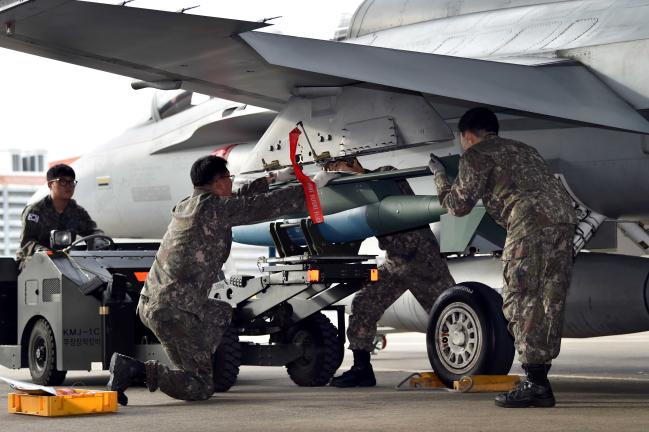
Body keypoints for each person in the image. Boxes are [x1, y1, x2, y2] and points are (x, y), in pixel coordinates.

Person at [107, 156, 305, 405]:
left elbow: (238, 199)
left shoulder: (190, 204)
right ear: (218, 181)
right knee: (199, 388)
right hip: (173, 311)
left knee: (220, 311)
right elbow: (258, 206)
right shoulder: (213, 209)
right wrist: (311, 187)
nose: (231, 183)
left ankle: (196, 368)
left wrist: (274, 178)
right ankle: (136, 369)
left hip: (157, 303)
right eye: (228, 178)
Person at [429, 107, 577, 408]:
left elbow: (457, 206)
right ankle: (540, 376)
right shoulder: (525, 149)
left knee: (521, 298)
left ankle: (536, 384)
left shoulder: (475, 155)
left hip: (529, 222)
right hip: (564, 219)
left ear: (466, 136)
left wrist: (440, 177)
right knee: (551, 298)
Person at [325, 157, 456, 388]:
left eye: (337, 168)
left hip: (423, 259)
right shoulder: (353, 196)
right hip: (395, 261)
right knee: (364, 303)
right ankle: (361, 369)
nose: (336, 173)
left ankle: (467, 362)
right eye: (331, 171)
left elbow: (389, 198)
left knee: (449, 313)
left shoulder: (385, 173)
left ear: (352, 163)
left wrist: (357, 180)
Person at [17, 164, 103, 268]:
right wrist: (45, 252)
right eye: (62, 181)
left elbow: (92, 232)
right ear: (50, 185)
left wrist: (100, 242)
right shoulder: (35, 211)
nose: (68, 186)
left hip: (65, 262)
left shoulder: (77, 211)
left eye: (71, 182)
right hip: (33, 262)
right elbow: (27, 243)